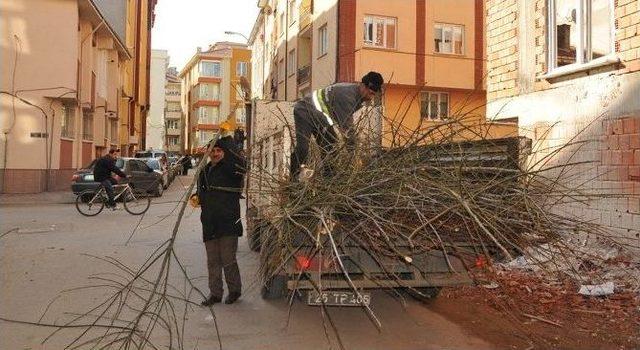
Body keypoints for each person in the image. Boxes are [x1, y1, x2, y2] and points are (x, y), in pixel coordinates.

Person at [289, 71, 384, 179]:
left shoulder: (357, 96)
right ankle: (293, 178)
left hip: (321, 118)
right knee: (303, 149)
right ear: (362, 85)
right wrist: (355, 156)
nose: (370, 96)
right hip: (305, 111)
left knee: (331, 147)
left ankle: (329, 179)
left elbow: (345, 121)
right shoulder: (348, 96)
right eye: (369, 92)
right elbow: (347, 129)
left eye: (373, 94)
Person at [197, 136, 246, 305]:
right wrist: (200, 199)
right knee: (213, 261)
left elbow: (241, 163)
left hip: (228, 221)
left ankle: (235, 290)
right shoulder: (204, 171)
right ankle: (215, 293)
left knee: (228, 259)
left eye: (219, 151)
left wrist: (225, 139)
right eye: (213, 151)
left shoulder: (232, 169)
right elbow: (202, 191)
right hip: (210, 222)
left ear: (225, 152)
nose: (216, 154)